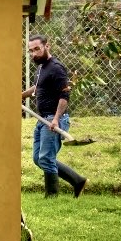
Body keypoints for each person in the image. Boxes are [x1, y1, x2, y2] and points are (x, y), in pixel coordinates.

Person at [22, 34, 87, 198]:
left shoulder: (56, 68)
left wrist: (56, 119)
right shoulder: (42, 68)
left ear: (47, 46)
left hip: (53, 119)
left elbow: (65, 96)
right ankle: (77, 180)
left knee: (45, 157)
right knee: (39, 159)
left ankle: (51, 195)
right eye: (31, 51)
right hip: (42, 120)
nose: (34, 54)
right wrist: (20, 95)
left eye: (37, 49)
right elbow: (36, 88)